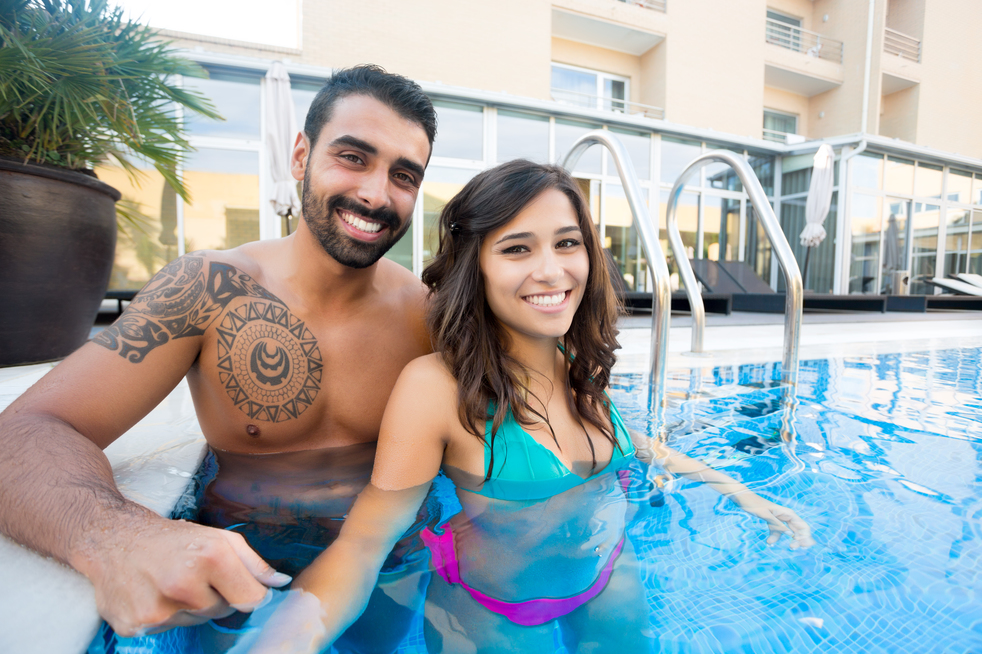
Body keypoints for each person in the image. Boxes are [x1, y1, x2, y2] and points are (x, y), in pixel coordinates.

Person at [240, 160, 814, 654]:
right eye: (518, 249)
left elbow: (635, 445)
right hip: (491, 610)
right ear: (477, 266)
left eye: (568, 243)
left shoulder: (576, 357)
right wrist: (282, 638)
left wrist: (743, 495)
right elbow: (366, 541)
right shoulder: (437, 387)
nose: (552, 270)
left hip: (609, 570)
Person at [0, 64, 437, 650]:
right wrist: (118, 539)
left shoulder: (427, 315)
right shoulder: (212, 288)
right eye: (353, 157)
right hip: (239, 573)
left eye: (404, 175)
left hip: (391, 561)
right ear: (301, 156)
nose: (376, 194)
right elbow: (24, 432)